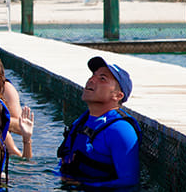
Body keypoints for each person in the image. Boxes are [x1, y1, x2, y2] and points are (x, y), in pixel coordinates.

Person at [57, 56, 140, 189]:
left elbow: (129, 182)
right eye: (93, 75)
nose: (91, 80)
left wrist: (84, 185)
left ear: (117, 95)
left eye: (102, 78)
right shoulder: (82, 121)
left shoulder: (120, 130)